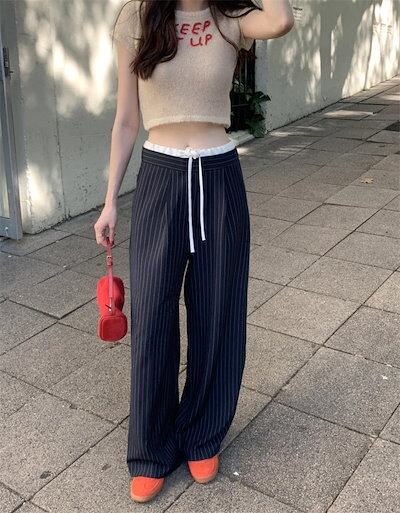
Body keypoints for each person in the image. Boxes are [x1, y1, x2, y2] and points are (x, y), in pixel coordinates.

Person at [94, 0, 294, 503]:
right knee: (153, 317)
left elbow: (281, 19)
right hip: (160, 177)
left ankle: (203, 434)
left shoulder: (232, 17)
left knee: (217, 310)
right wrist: (110, 200)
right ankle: (151, 450)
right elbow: (126, 120)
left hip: (219, 176)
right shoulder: (137, 18)